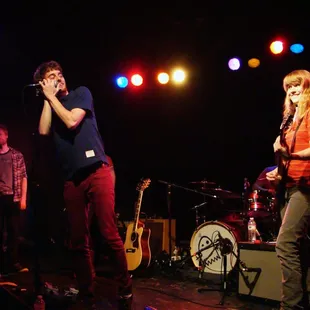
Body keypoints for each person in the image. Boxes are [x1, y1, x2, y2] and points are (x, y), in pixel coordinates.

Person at [34, 60, 132, 309]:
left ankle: (125, 287)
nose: (58, 78)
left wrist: (52, 98)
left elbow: (70, 122)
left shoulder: (81, 93)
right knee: (78, 240)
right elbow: (44, 131)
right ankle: (87, 292)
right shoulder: (51, 104)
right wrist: (47, 99)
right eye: (51, 77)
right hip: (73, 179)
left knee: (109, 233)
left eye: (59, 73)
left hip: (98, 172)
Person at [267, 69, 310, 310]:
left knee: (285, 243)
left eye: (297, 85)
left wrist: (289, 154)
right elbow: (285, 158)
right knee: (299, 248)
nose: (292, 89)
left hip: (306, 187)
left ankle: (291, 306)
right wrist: (279, 172)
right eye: (288, 87)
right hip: (289, 187)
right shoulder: (289, 121)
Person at [0, 124, 28, 274]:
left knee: (13, 232)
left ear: (6, 136)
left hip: (13, 197)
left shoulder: (17, 155)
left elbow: (24, 177)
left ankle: (13, 262)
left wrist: (23, 198)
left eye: (0, 135)